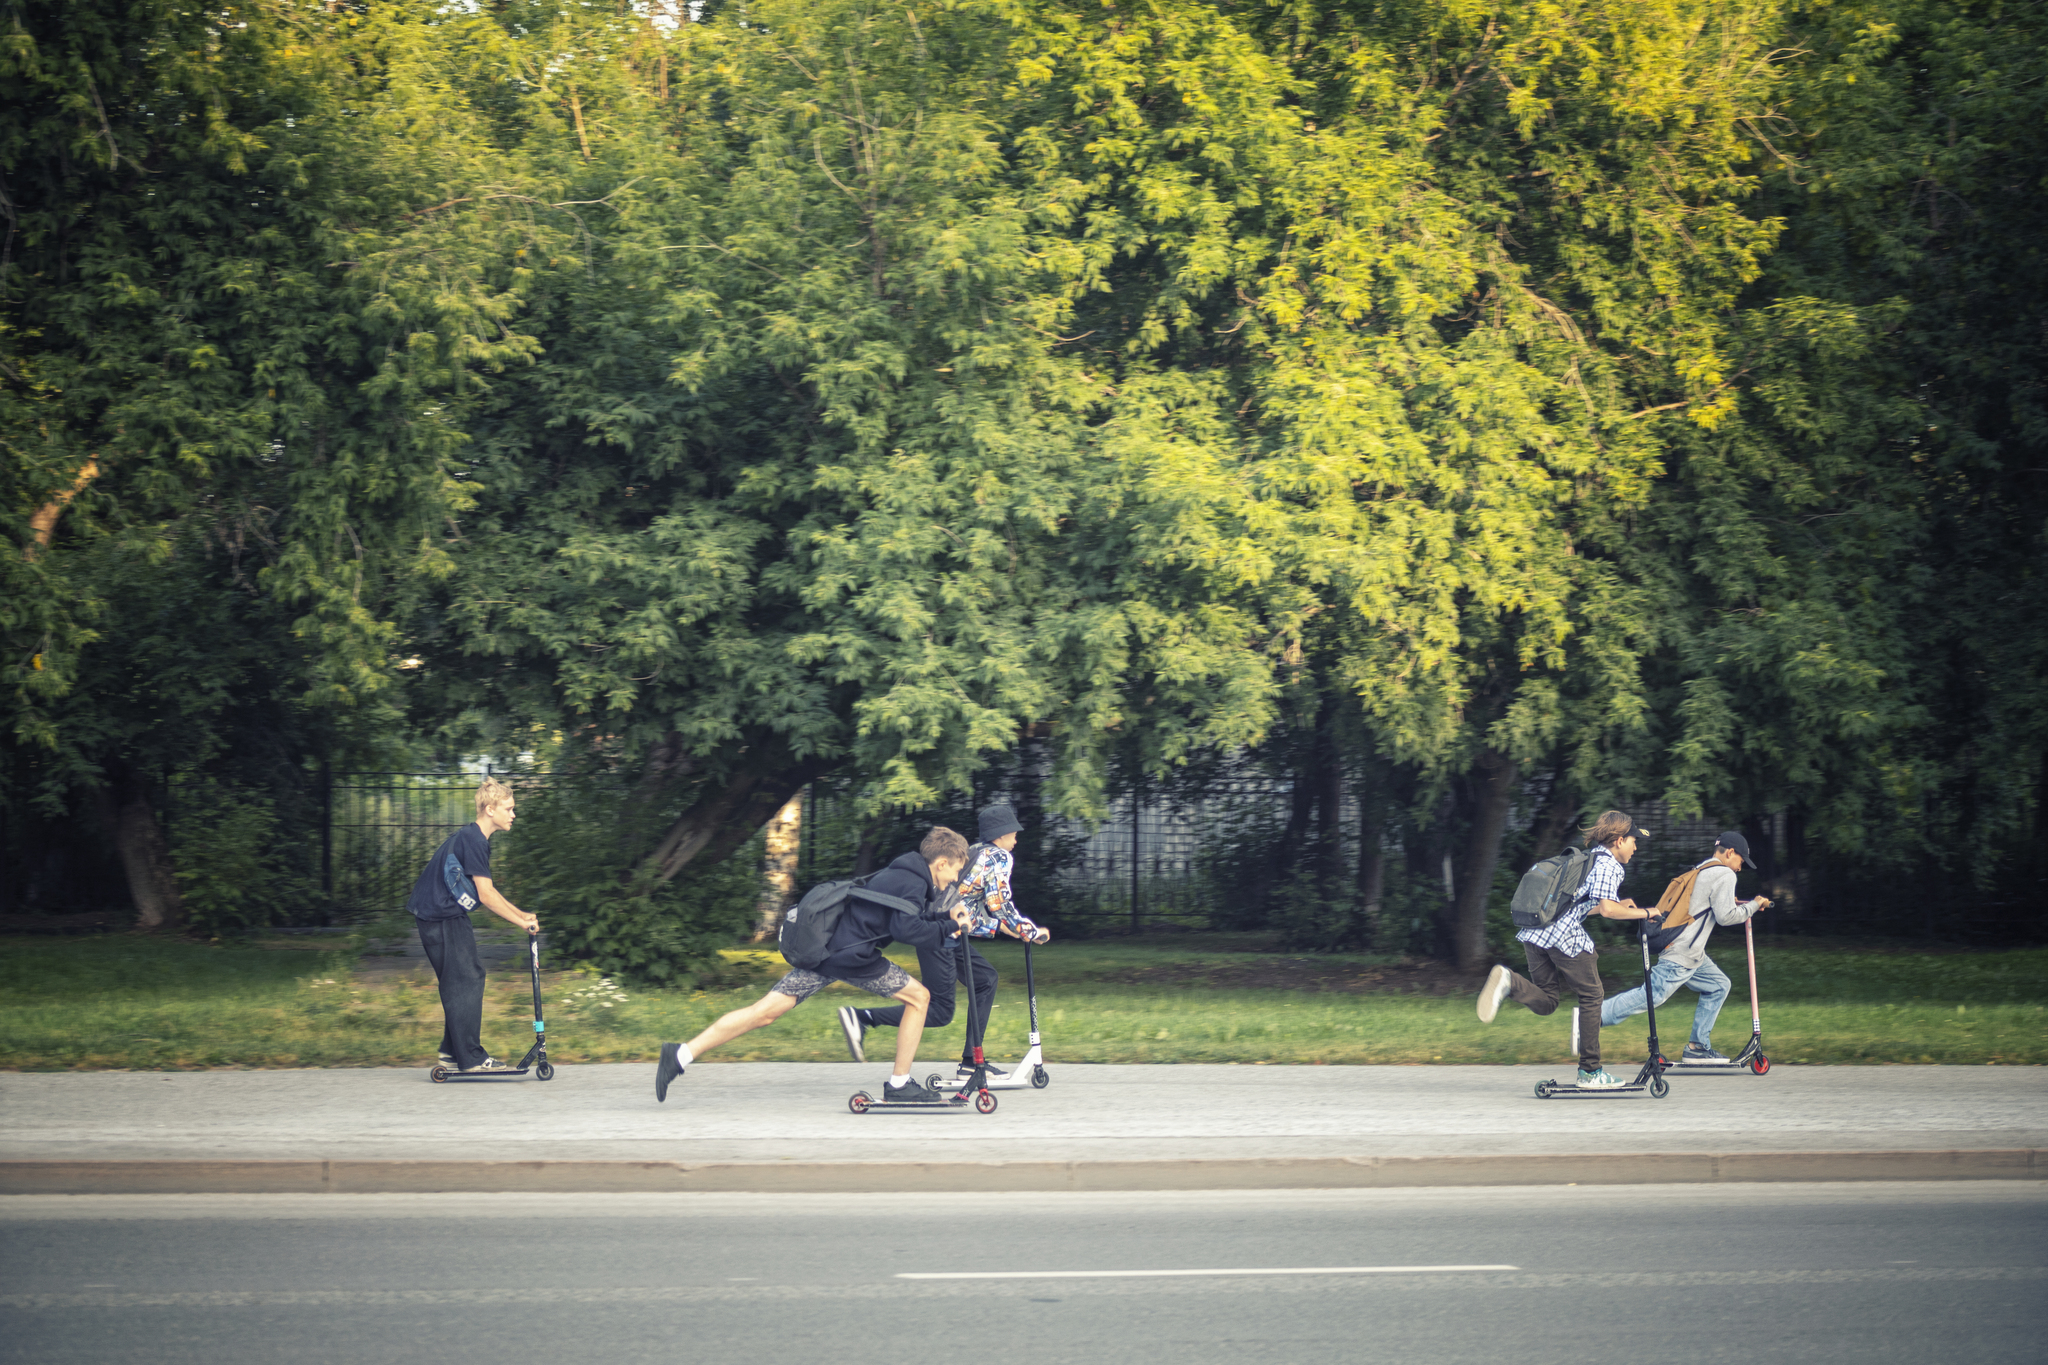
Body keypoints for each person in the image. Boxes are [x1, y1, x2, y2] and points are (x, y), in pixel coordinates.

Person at [654, 826, 975, 1105]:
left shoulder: (902, 873)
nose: (954, 879)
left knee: (765, 1012)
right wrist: (950, 928)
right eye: (955, 871)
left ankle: (680, 1054)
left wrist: (945, 918)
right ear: (942, 862)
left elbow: (901, 917)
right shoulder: (914, 882)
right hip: (853, 957)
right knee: (920, 998)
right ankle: (900, 1084)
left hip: (829, 951)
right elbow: (908, 931)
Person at [838, 802, 1051, 1080]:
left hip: (946, 929)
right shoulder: (998, 857)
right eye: (1014, 833)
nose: (1016, 839)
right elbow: (998, 902)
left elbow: (968, 911)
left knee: (986, 979)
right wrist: (1026, 929)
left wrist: (1000, 928)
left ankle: (971, 1063)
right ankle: (863, 1018)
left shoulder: (974, 851)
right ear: (1001, 834)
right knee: (939, 1011)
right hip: (939, 933)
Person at [1475, 810, 1656, 1088]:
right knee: (1593, 995)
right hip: (1563, 937)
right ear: (1619, 840)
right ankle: (1591, 1072)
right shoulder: (1610, 866)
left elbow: (1582, 905)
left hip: (1535, 933)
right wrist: (1646, 912)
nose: (1635, 847)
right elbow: (1608, 910)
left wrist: (1623, 905)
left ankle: (1510, 982)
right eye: (1634, 841)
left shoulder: (1586, 858)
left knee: (1548, 1001)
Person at [403, 778, 539, 1073]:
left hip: (440, 915)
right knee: (466, 979)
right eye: (509, 808)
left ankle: (453, 1054)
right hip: (440, 916)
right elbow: (486, 895)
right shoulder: (475, 840)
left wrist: (522, 914)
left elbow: (486, 892)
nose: (513, 814)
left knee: (463, 979)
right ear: (490, 809)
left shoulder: (471, 837)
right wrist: (521, 922)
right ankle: (472, 1058)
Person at [1600, 831, 1771, 1061]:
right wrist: (1754, 905)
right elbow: (1726, 917)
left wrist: (1741, 904)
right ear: (1730, 853)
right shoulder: (1725, 875)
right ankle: (1592, 1017)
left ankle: (1697, 1047)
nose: (1740, 867)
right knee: (1650, 996)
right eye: (1741, 861)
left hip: (1692, 953)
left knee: (1718, 985)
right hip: (1682, 952)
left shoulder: (1701, 868)